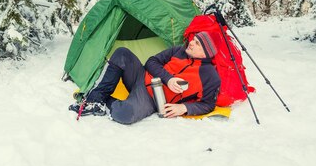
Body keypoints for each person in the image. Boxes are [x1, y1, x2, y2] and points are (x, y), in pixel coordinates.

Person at [69, 31, 222, 124]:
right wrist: (167, 79)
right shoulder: (179, 51)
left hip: (152, 99)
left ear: (206, 53)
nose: (191, 43)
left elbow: (208, 104)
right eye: (193, 39)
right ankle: (95, 100)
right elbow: (151, 61)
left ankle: (107, 101)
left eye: (197, 43)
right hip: (141, 76)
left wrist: (183, 108)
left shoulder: (210, 76)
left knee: (124, 114)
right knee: (122, 53)